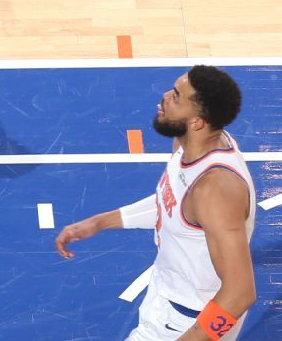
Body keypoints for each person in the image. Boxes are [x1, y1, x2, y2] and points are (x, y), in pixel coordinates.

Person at [55, 67, 256, 341]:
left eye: (176, 96)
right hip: (166, 297)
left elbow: (240, 293)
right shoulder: (190, 146)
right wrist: (102, 222)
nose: (164, 98)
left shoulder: (215, 189)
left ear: (197, 121)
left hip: (188, 320)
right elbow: (173, 204)